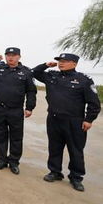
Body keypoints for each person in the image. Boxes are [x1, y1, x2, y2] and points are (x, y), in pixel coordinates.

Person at [32, 53, 101, 191]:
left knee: (75, 150)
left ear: (74, 64)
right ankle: (55, 172)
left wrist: (89, 119)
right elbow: (34, 72)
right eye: (59, 61)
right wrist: (46, 65)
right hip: (54, 119)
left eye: (65, 61)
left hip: (74, 121)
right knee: (54, 147)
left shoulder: (83, 80)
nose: (61, 63)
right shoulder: (52, 76)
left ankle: (76, 177)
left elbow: (94, 103)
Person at [0, 47, 37, 174]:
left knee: (16, 137)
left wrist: (29, 107)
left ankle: (14, 162)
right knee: (0, 135)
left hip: (16, 110)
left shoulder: (26, 72)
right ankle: (1, 160)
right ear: (5, 56)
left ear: (19, 57)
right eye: (8, 55)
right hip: (0, 109)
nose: (11, 58)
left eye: (14, 55)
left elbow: (31, 91)